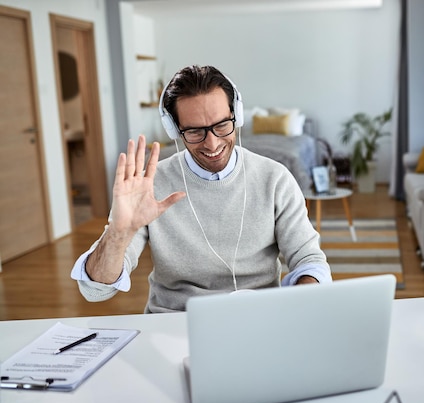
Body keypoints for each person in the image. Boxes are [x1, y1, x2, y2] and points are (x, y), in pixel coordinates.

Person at [71, 65, 332, 313]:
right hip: (173, 321)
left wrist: (298, 308)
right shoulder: (152, 184)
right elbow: (95, 291)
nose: (212, 143)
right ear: (175, 130)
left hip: (258, 319)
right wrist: (119, 232)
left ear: (236, 116)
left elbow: (310, 261)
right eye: (195, 131)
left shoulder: (274, 178)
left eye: (221, 125)